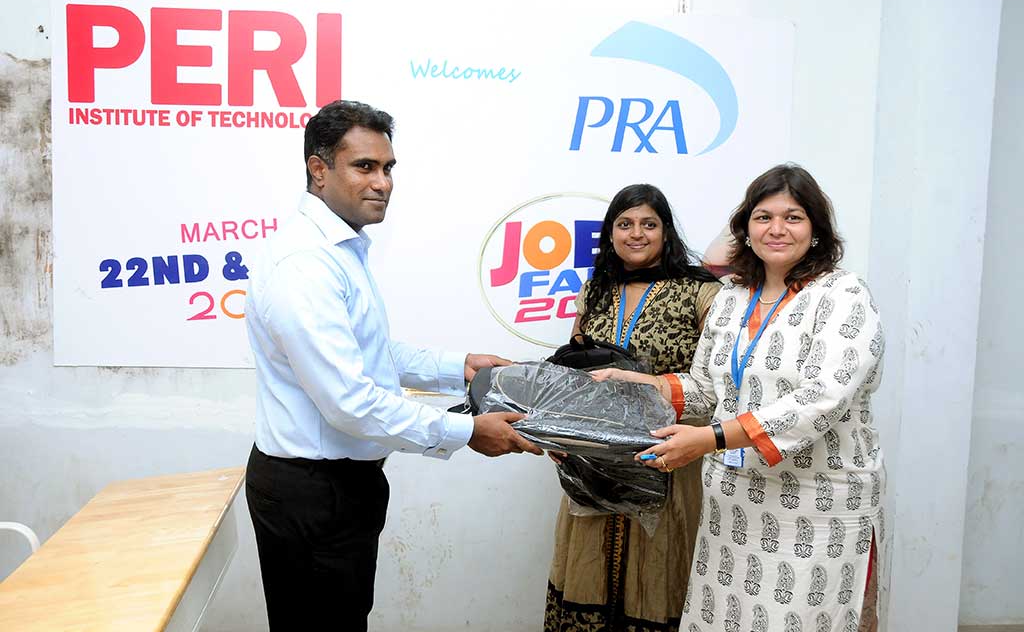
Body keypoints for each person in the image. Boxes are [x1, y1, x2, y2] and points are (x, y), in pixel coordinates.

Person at [244, 99, 542, 632]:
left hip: (337, 487)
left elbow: (371, 351)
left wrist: (460, 367)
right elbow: (350, 403)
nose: (383, 183)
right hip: (314, 492)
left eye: (388, 168)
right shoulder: (306, 264)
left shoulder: (338, 247)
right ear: (319, 170)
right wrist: (467, 431)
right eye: (365, 167)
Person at [596, 164, 885, 632]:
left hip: (817, 506)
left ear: (816, 229)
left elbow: (821, 399)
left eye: (793, 217)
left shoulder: (843, 295)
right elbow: (707, 389)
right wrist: (639, 383)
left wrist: (709, 440)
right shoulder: (732, 296)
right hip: (732, 500)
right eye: (763, 217)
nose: (776, 229)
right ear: (745, 229)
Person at [544, 184, 722, 632]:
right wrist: (558, 435)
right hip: (595, 461)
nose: (636, 234)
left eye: (648, 224)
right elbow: (572, 371)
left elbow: (716, 383)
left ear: (666, 231)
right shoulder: (595, 290)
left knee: (658, 572)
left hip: (668, 457)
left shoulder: (702, 293)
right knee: (589, 569)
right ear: (610, 233)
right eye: (625, 224)